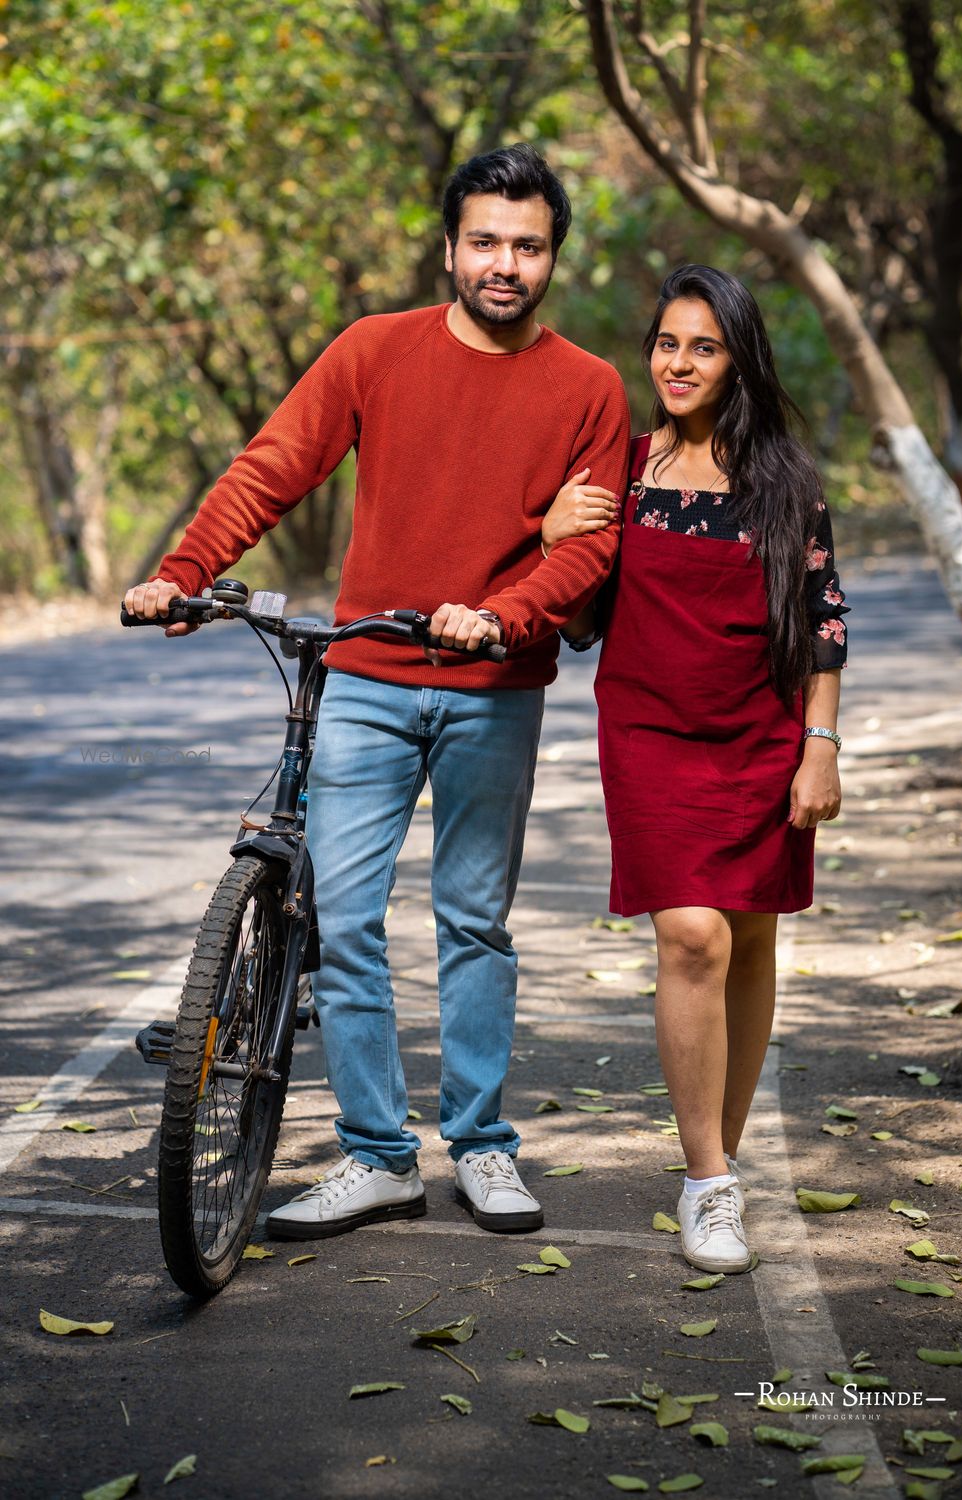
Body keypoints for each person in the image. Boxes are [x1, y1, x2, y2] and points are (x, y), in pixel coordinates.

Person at [123, 144, 631, 1240]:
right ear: (449, 246)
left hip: (496, 686)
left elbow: (587, 555)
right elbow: (272, 466)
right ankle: (377, 1156)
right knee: (342, 921)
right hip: (364, 681)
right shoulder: (374, 351)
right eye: (485, 241)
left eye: (527, 246)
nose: (505, 263)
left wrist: (501, 614)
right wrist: (183, 573)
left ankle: (484, 1147)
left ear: (553, 259)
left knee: (472, 924)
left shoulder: (589, 388)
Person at [541, 265, 848, 1274]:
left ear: (736, 358)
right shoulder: (621, 470)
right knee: (692, 937)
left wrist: (819, 746)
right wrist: (554, 540)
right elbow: (579, 617)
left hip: (760, 733)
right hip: (649, 732)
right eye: (666, 344)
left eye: (702, 346)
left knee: (750, 939)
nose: (678, 363)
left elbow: (821, 622)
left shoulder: (786, 482)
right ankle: (707, 1184)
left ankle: (723, 1152)